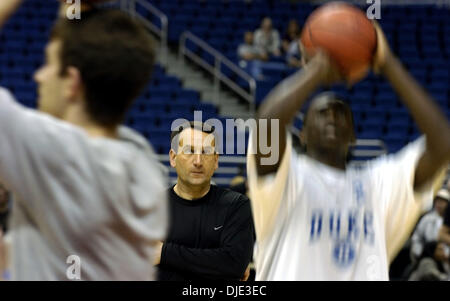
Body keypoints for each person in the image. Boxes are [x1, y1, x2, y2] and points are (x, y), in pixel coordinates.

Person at [246, 22, 450, 280]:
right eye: (322, 112)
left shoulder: (379, 184)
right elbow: (267, 124)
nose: (332, 116)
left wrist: (388, 64)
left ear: (353, 136)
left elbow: (442, 144)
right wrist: (318, 68)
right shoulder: (287, 178)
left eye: (341, 112)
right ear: (303, 134)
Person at [0, 1, 168, 280]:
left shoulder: (56, 155)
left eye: (49, 65)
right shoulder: (141, 161)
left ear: (73, 82)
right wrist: (71, 15)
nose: (38, 76)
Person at [156, 121, 254, 281]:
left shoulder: (236, 205)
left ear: (216, 160)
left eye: (206, 152)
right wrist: (215, 263)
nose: (198, 161)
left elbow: (234, 264)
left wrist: (164, 253)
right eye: (189, 151)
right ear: (173, 158)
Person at [410, 189, 449, 261]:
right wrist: (420, 253)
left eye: (443, 202)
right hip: (425, 257)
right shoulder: (427, 218)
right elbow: (417, 238)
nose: (439, 204)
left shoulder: (447, 222)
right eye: (437, 201)